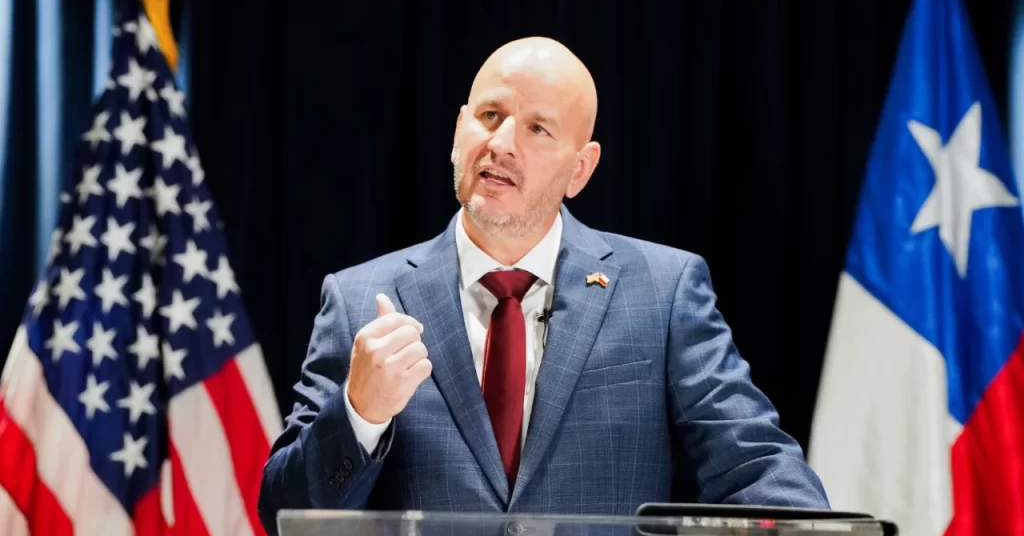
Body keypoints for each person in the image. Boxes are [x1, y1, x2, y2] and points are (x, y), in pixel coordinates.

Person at [257, 37, 829, 534]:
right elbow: (286, 513)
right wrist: (360, 413)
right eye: (490, 115)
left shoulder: (663, 292)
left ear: (580, 169)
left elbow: (754, 466)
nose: (502, 142)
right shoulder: (359, 298)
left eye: (536, 128)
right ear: (458, 131)